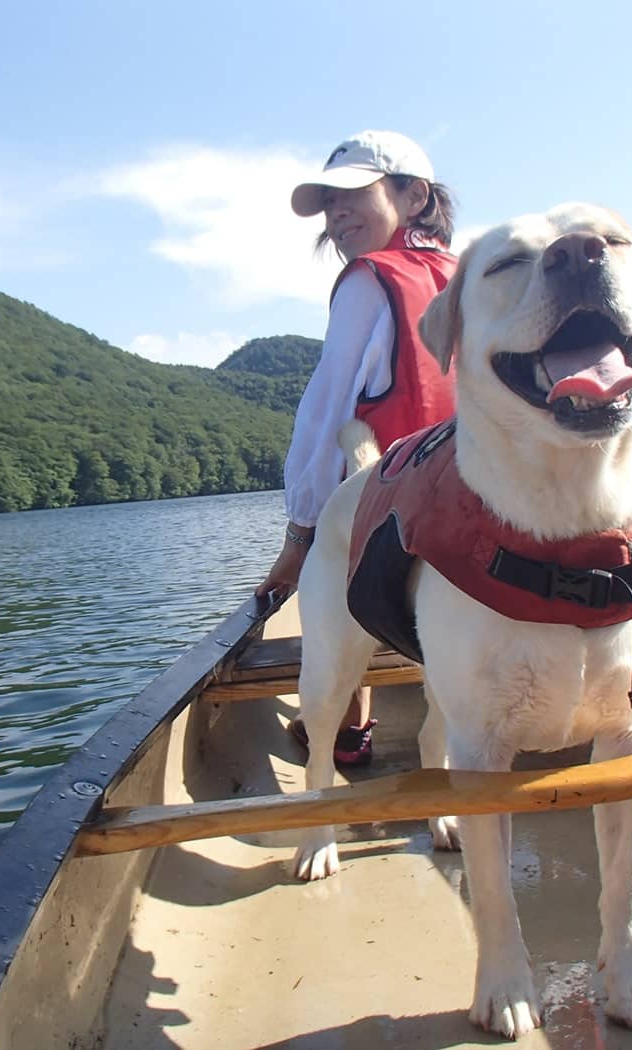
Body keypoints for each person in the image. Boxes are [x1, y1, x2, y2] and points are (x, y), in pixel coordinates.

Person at [255, 130, 458, 766]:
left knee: (336, 581)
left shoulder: (367, 283)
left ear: (414, 194)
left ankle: (345, 733)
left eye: (352, 196)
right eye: (329, 205)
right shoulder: (468, 276)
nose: (336, 214)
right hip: (471, 507)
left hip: (392, 517)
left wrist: (299, 537)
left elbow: (326, 415)